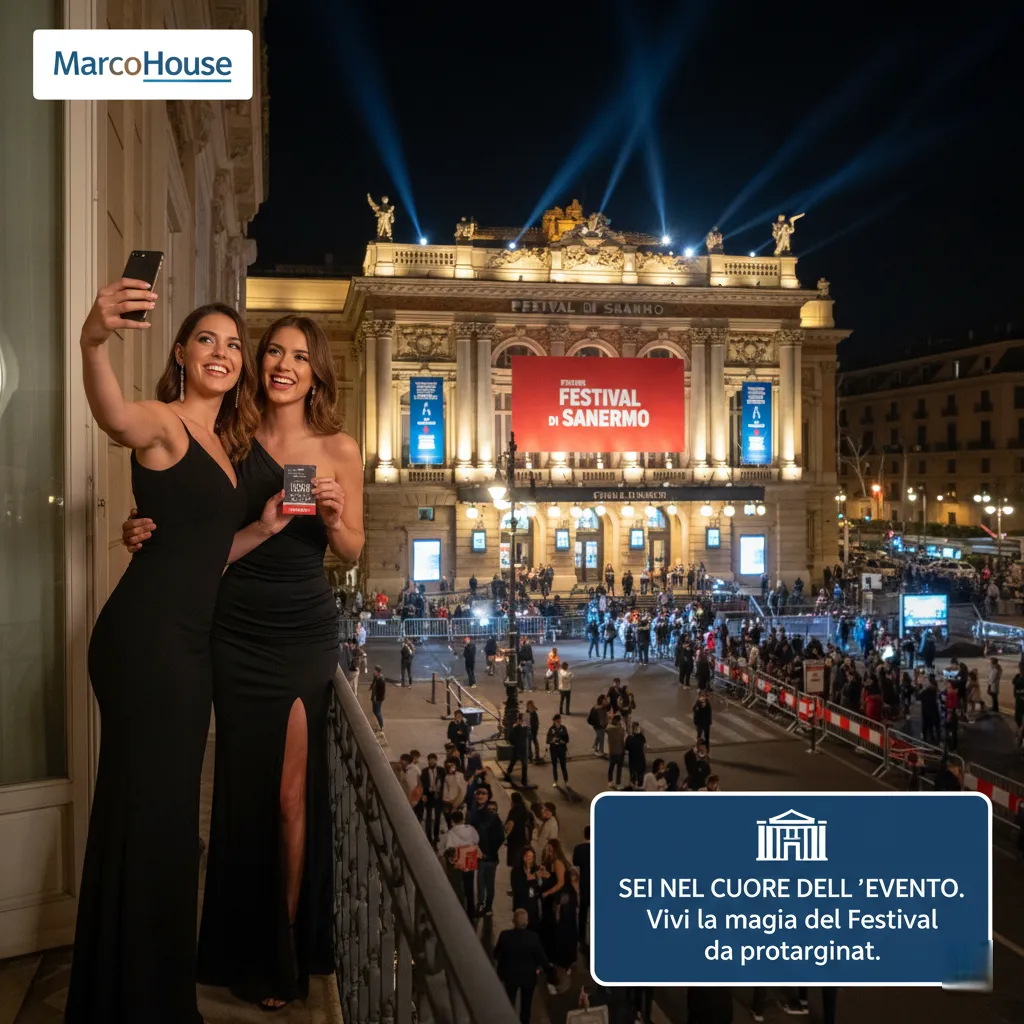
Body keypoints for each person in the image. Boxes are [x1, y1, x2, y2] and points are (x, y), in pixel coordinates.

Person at [68, 285, 261, 1022]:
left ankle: (129, 991)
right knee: (157, 821)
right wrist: (93, 341)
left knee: (159, 821)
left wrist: (266, 528)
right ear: (180, 353)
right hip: (146, 641)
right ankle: (140, 999)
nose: (222, 352)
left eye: (232, 344)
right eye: (206, 340)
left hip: (183, 642)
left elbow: (208, 552)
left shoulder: (224, 445)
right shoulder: (167, 424)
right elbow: (114, 415)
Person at [494, 908, 554, 1024]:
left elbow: (496, 954)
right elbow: (541, 958)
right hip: (528, 978)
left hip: (509, 976)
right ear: (526, 923)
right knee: (526, 1007)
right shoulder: (533, 938)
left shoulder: (504, 936)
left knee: (509, 1002)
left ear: (513, 921)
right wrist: (550, 970)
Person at [438, 810, 479, 917]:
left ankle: (460, 913)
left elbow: (446, 849)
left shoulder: (451, 833)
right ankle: (471, 912)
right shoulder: (471, 829)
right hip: (469, 861)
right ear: (463, 819)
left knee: (458, 888)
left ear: (452, 822)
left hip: (457, 864)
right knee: (469, 888)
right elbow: (477, 840)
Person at [510, 847, 543, 932]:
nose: (529, 859)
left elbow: (539, 885)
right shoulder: (517, 870)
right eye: (527, 856)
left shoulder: (536, 869)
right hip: (521, 903)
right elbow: (516, 887)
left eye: (531, 857)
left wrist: (537, 880)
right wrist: (528, 881)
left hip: (532, 904)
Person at [572, 826, 592, 951]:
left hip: (585, 884)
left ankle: (581, 939)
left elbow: (575, 863)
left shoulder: (579, 849)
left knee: (583, 913)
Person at [421, 753, 445, 846]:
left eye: (433, 760)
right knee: (428, 817)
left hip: (438, 796)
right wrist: (424, 793)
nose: (431, 762)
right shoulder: (424, 771)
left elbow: (444, 783)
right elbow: (422, 784)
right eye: (430, 760)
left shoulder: (441, 770)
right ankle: (428, 837)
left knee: (437, 817)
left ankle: (436, 836)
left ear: (436, 760)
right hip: (429, 796)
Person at [504, 792, 533, 871]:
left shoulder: (514, 810)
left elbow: (510, 824)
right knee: (522, 859)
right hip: (524, 839)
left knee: (515, 861)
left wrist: (505, 836)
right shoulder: (525, 810)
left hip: (515, 839)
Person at [505, 712, 531, 787]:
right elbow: (510, 738)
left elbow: (510, 738)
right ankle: (524, 781)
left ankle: (509, 774)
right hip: (521, 748)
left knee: (515, 761)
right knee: (523, 764)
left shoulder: (520, 727)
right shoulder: (519, 728)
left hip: (518, 748)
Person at [547, 715, 570, 786]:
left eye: (559, 720)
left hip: (562, 749)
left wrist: (563, 741)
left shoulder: (563, 728)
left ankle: (566, 781)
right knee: (554, 766)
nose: (559, 722)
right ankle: (555, 780)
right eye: (557, 721)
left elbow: (567, 739)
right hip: (553, 750)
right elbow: (547, 740)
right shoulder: (551, 729)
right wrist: (552, 740)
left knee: (563, 766)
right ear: (554, 721)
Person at [606, 713, 626, 789]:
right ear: (618, 721)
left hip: (612, 751)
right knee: (619, 768)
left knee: (611, 767)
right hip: (619, 751)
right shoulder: (620, 730)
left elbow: (607, 727)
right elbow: (622, 740)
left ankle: (610, 781)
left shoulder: (609, 729)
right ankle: (618, 783)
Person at [625, 722, 647, 789]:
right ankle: (640, 786)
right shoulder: (641, 738)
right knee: (641, 774)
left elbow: (626, 748)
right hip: (641, 758)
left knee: (633, 773)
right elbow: (644, 741)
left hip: (633, 759)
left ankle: (633, 785)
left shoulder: (629, 738)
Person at [370, 666, 387, 731]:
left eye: (375, 670)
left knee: (377, 712)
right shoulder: (376, 678)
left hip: (377, 698)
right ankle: (380, 724)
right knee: (375, 711)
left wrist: (376, 698)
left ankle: (381, 725)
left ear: (377, 672)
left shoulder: (380, 680)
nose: (373, 672)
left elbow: (382, 691)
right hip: (375, 697)